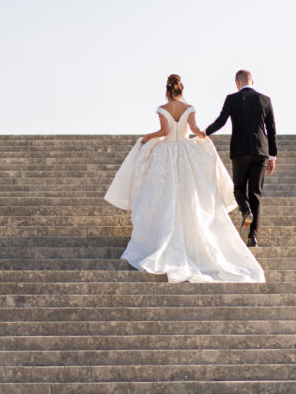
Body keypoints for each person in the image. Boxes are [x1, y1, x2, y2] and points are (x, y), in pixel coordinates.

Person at [105, 74, 265, 283]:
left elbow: (163, 131)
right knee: (189, 193)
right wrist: (203, 136)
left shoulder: (163, 109)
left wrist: (147, 137)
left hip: (168, 152)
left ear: (167, 91)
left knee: (166, 193)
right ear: (182, 91)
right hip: (186, 152)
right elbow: (196, 131)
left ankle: (163, 233)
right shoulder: (190, 109)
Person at [204, 70, 277, 248]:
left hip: (240, 151)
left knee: (238, 189)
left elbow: (221, 121)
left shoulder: (232, 99)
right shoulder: (265, 100)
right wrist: (272, 156)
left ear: (237, 83)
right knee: (255, 194)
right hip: (261, 152)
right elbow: (271, 130)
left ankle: (246, 211)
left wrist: (204, 132)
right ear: (253, 80)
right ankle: (253, 236)